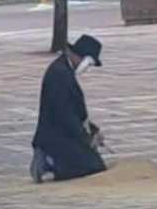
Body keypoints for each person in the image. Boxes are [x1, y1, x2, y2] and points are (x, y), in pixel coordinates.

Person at [30, 34, 108, 183]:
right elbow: (65, 114)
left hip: (64, 132)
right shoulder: (59, 74)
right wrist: (86, 138)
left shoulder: (64, 70)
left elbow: (74, 112)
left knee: (94, 163)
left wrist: (92, 130)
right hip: (55, 137)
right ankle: (48, 161)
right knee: (91, 167)